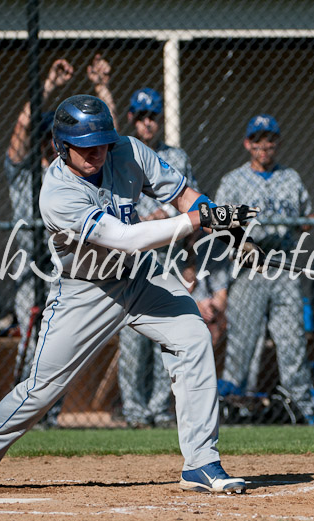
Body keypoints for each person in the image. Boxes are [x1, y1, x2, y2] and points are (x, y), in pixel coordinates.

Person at [0, 94, 258, 495]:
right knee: (44, 387)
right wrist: (198, 219)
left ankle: (201, 462)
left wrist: (227, 228)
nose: (97, 151)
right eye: (86, 145)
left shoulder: (127, 150)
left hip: (138, 279)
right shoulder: (57, 193)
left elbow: (183, 196)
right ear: (62, 146)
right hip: (86, 290)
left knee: (193, 335)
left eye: (102, 142)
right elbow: (126, 239)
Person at [215, 114, 314, 425]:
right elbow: (217, 224)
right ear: (248, 143)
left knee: (292, 341)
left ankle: (301, 408)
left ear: (278, 142)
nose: (264, 144)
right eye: (258, 139)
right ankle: (234, 407)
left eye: (270, 138)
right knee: (242, 344)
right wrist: (240, 243)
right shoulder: (233, 181)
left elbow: (301, 224)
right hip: (249, 268)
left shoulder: (291, 178)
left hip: (283, 266)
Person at [6, 54, 116, 385]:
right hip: (30, 267)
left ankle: (49, 413)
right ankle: (22, 396)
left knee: (60, 346)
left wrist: (102, 88)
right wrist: (50, 86)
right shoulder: (24, 174)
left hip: (67, 266)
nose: (46, 147)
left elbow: (111, 139)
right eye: (42, 141)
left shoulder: (75, 176)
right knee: (29, 341)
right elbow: (21, 129)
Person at [117, 87, 201, 429]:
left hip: (166, 258)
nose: (147, 123)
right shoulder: (120, 154)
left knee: (164, 338)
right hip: (131, 258)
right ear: (131, 119)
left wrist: (191, 263)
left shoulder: (176, 157)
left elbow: (191, 209)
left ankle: (158, 409)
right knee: (132, 340)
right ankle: (134, 412)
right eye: (141, 116)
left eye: (153, 116)